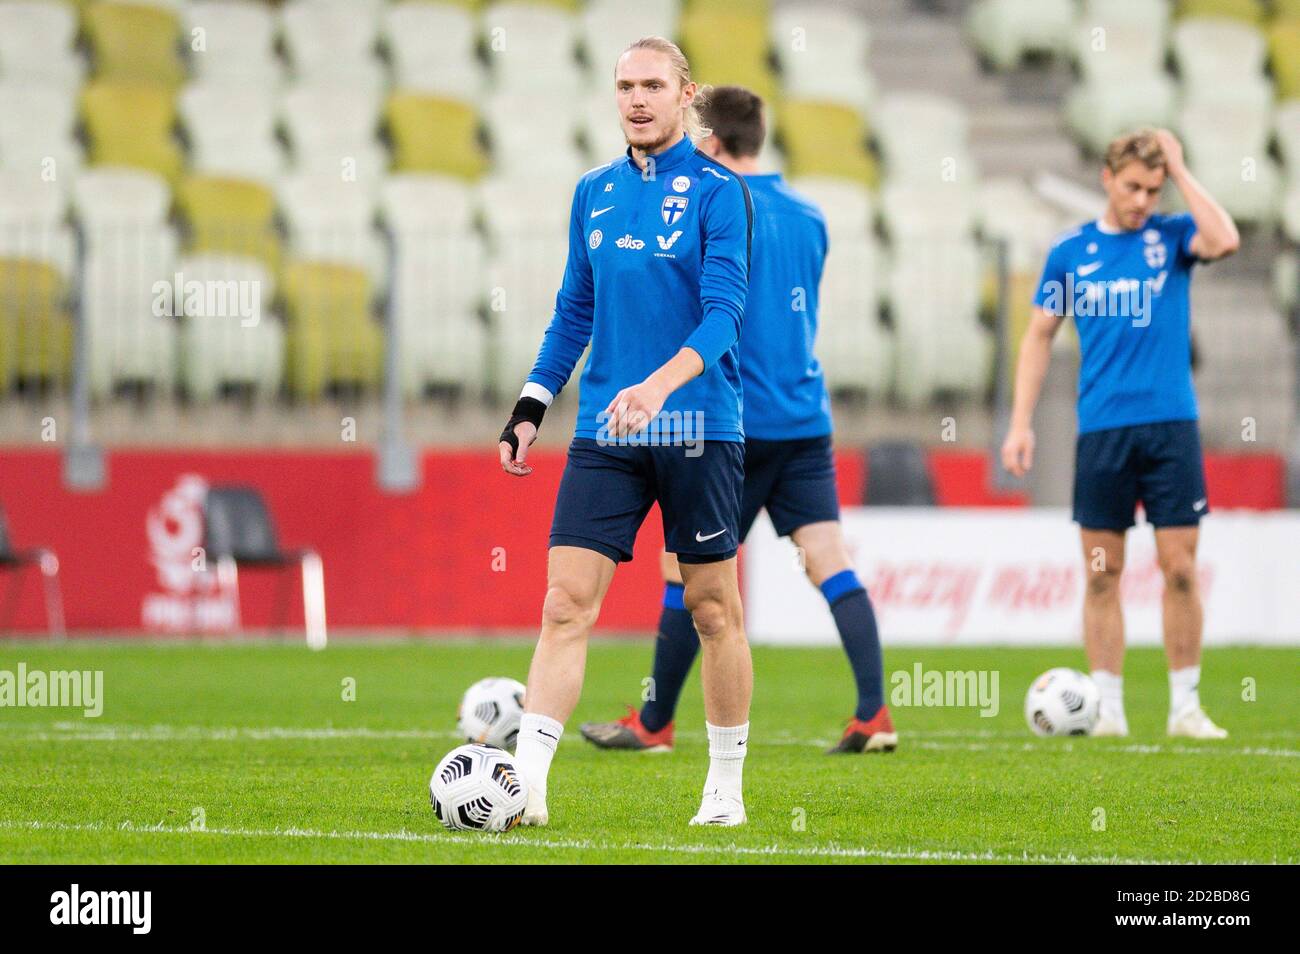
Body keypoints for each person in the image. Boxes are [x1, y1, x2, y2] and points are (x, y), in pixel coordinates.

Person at [578, 86, 894, 757]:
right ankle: (874, 714)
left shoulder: (715, 202)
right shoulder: (810, 217)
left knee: (683, 572)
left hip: (737, 424)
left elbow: (718, 315)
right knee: (829, 561)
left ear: (713, 143)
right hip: (805, 418)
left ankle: (654, 724)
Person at [497, 37, 755, 826]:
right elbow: (574, 308)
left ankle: (723, 787)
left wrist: (659, 382)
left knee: (712, 609)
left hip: (697, 427)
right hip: (608, 432)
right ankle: (526, 788)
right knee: (564, 604)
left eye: (653, 85)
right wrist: (532, 404)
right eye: (624, 87)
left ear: (686, 94)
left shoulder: (719, 192)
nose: (637, 99)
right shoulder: (593, 192)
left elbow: (724, 314)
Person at [1001, 128, 1240, 738]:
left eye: (1153, 190)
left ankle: (1185, 705)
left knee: (1180, 568)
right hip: (1103, 431)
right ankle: (1106, 707)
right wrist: (1021, 422)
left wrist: (1183, 172)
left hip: (1170, 429)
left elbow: (1227, 239)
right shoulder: (1070, 253)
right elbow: (1038, 336)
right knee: (1103, 571)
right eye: (1133, 187)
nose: (1142, 201)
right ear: (1106, 179)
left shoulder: (1174, 237)